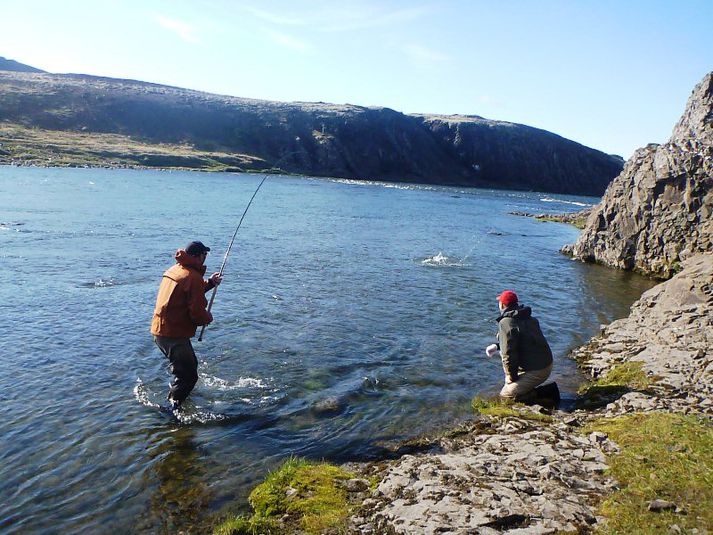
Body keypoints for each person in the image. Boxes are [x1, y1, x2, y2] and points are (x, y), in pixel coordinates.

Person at [151, 240, 222, 410]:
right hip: (173, 335)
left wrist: (210, 283)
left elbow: (187, 293)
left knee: (188, 368)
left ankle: (178, 399)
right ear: (198, 257)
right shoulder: (193, 277)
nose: (206, 258)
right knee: (189, 377)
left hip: (160, 331)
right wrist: (207, 317)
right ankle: (171, 411)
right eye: (205, 254)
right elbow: (197, 314)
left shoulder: (176, 270)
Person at [486, 290, 553, 400]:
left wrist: (510, 377)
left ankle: (543, 394)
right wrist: (497, 346)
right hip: (545, 364)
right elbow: (522, 342)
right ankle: (524, 386)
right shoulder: (528, 317)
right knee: (502, 339)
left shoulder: (506, 322)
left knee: (505, 394)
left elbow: (508, 353)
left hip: (538, 370)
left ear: (502, 305)